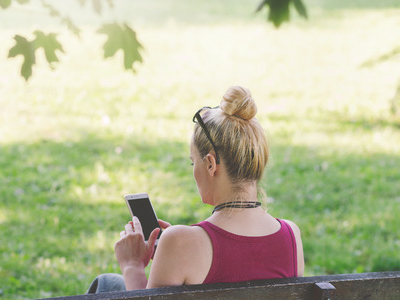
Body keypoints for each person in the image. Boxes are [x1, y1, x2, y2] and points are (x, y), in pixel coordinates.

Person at [86, 86, 304, 293]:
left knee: (105, 285)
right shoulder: (291, 236)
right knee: (107, 283)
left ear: (210, 164)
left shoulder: (179, 242)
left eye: (194, 163)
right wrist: (174, 251)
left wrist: (132, 266)